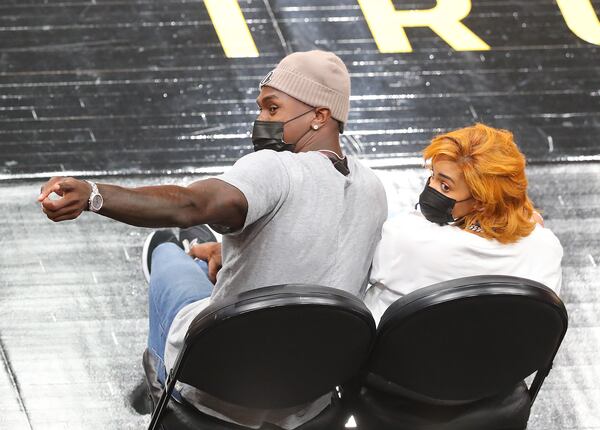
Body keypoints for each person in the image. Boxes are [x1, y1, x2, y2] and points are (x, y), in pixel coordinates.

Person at [38, 50, 388, 429]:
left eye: (273, 109)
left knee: (168, 258)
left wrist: (94, 194)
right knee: (211, 257)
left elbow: (191, 204)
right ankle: (212, 251)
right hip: (309, 394)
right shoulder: (373, 189)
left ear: (320, 115)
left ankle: (159, 382)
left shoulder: (274, 167)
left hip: (222, 381)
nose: (261, 121)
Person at [363, 123, 563, 324]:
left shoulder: (406, 238)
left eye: (445, 186)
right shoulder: (546, 249)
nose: (430, 187)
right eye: (432, 174)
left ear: (482, 203)